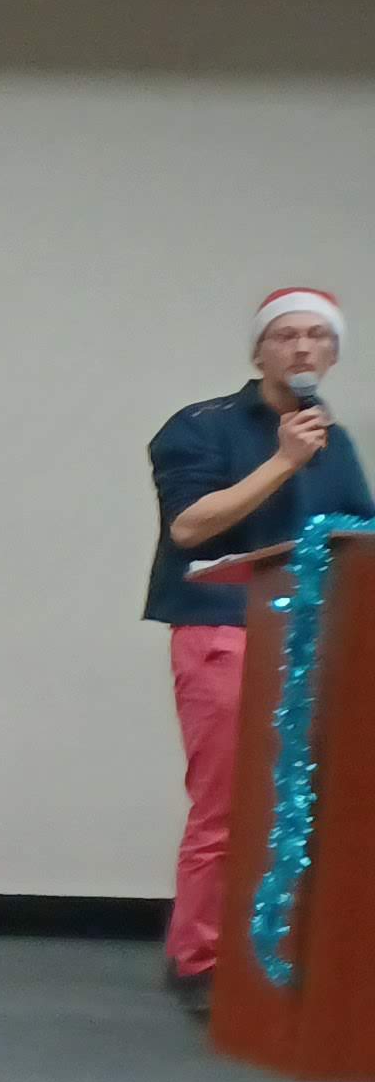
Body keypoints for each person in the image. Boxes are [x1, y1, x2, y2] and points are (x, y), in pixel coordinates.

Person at [145, 289, 375, 1013]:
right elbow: (190, 528)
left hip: (315, 636)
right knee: (226, 806)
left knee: (302, 806)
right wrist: (282, 462)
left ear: (332, 354)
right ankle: (201, 961)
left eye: (317, 338)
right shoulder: (201, 427)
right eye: (286, 337)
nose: (303, 350)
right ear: (259, 351)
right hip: (224, 627)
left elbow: (359, 536)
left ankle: (282, 953)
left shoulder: (334, 441)